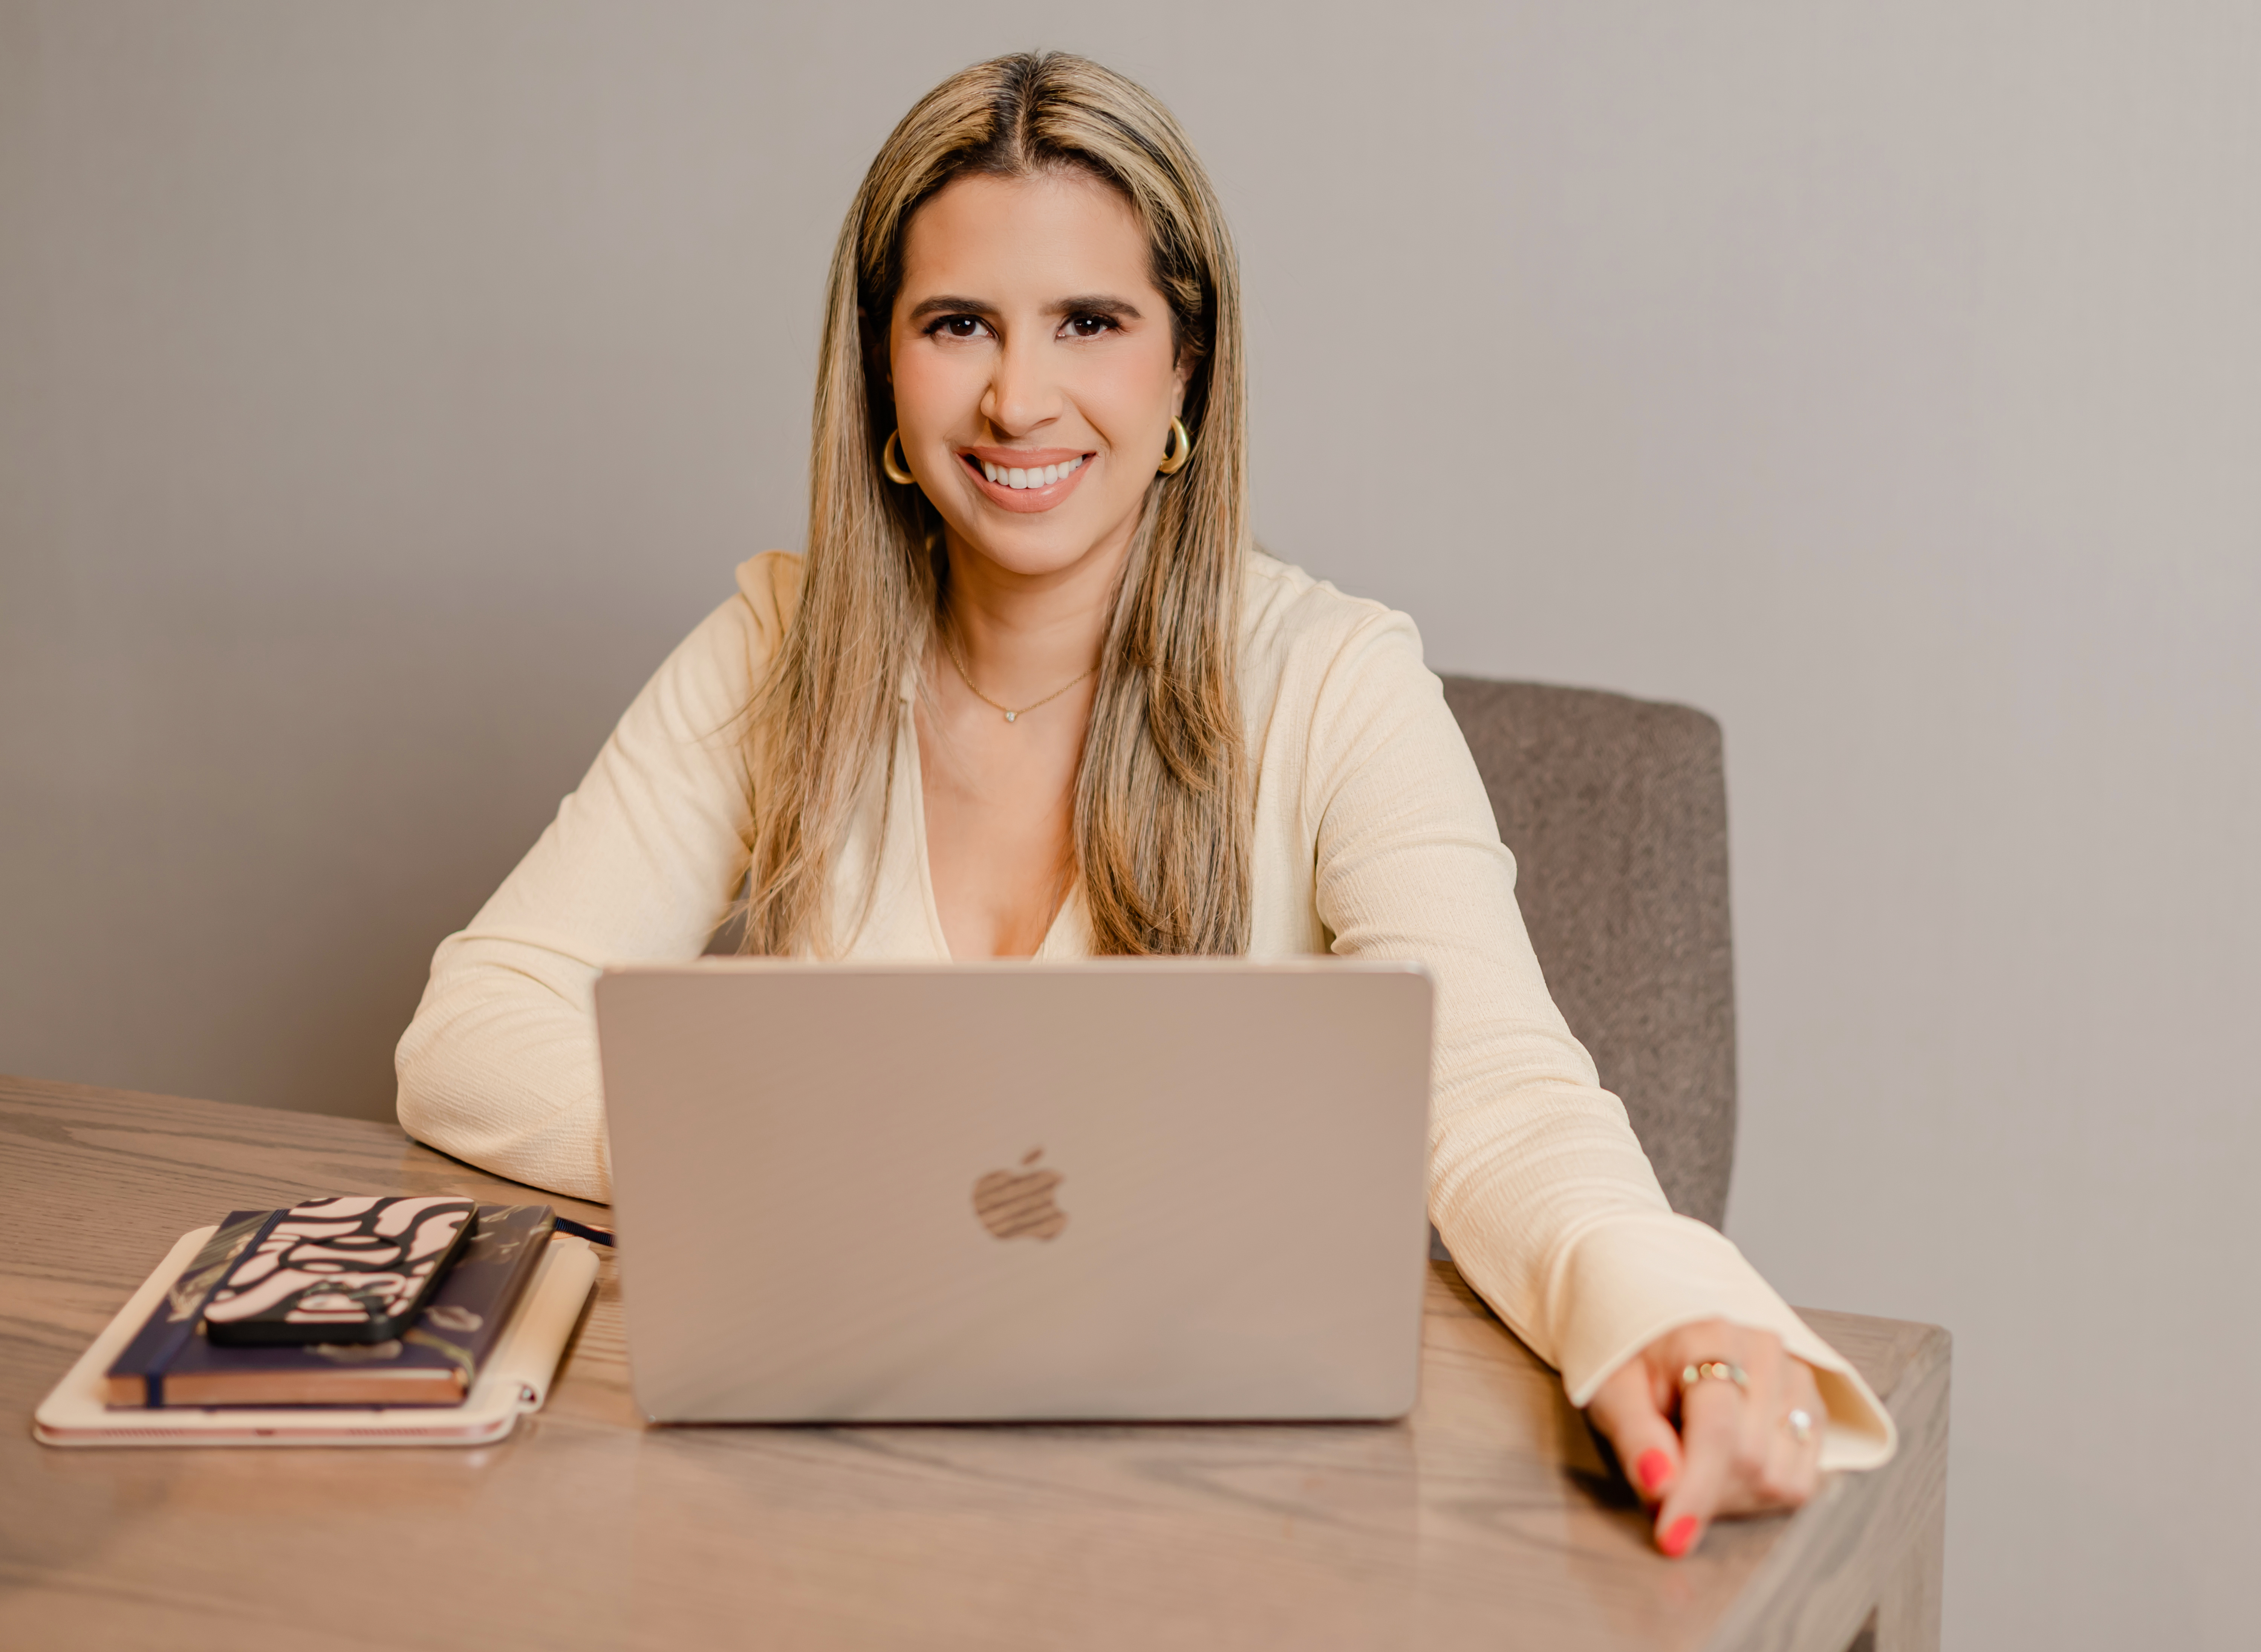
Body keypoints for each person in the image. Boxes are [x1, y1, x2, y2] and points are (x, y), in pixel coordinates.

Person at [396, 50, 1894, 1557]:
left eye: (1090, 323)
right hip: (817, 1490)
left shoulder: (1334, 679)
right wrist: (817, 1157)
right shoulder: (781, 646)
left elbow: (1500, 1095)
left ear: (1186, 369)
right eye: (957, 323)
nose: (1016, 395)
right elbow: (473, 1034)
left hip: (1218, 1518)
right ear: (879, 369)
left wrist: (1684, 1311)